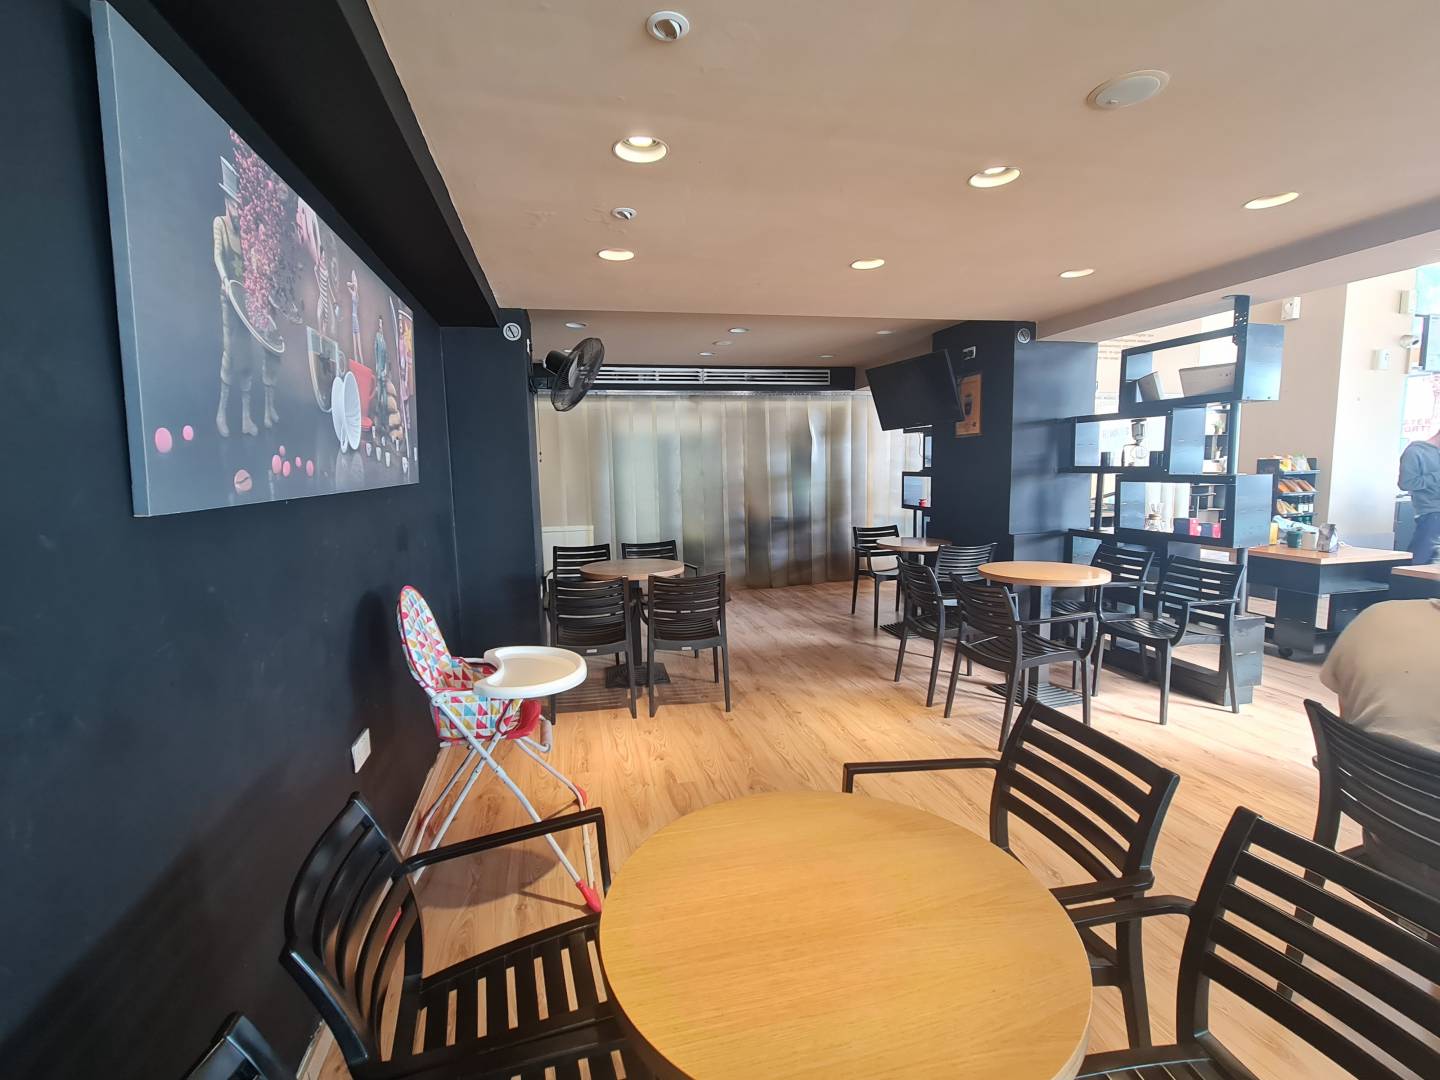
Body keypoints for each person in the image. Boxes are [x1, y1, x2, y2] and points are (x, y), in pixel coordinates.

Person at [214, 157, 257, 438]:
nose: (237, 210)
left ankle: (246, 418)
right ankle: (221, 413)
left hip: (245, 304)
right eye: (234, 204)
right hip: (228, 299)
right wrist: (225, 281)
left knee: (247, 359)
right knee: (230, 354)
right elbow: (218, 254)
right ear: (228, 202)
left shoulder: (244, 234)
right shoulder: (219, 223)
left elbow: (250, 268)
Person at [1398, 425, 1440, 564]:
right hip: (1432, 513)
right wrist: (1436, 476)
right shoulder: (1415, 452)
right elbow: (1406, 483)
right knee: (1416, 564)